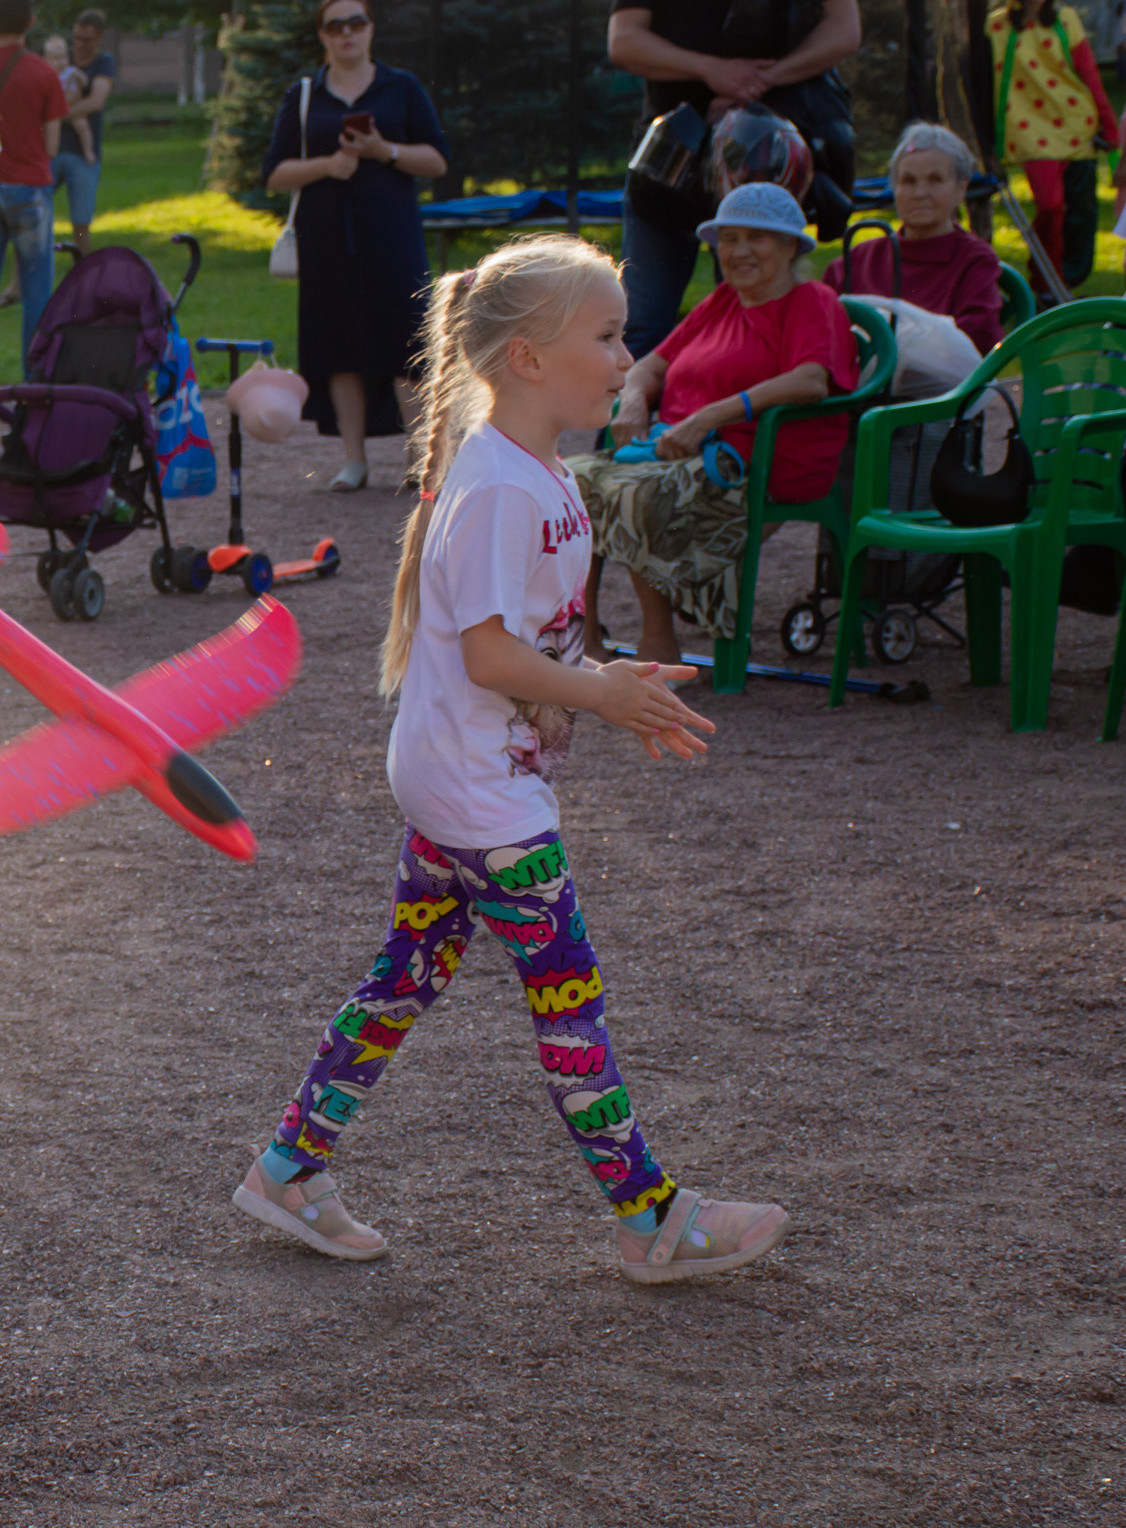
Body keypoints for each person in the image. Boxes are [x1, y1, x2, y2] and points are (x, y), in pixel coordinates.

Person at [233, 232, 789, 1286]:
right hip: (483, 797)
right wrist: (601, 694)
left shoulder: (535, 471)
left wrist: (615, 679)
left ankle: (288, 1167)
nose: (629, 353)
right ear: (526, 358)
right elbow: (489, 653)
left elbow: (530, 633)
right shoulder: (500, 485)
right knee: (567, 999)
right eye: (607, 333)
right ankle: (651, 1218)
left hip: (458, 774)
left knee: (402, 979)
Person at [567, 182, 857, 662]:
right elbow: (651, 364)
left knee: (645, 490)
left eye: (756, 238)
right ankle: (586, 638)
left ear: (790, 246)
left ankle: (659, 644)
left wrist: (711, 415)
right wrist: (635, 397)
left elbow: (810, 380)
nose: (739, 251)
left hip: (753, 458)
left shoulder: (812, 301)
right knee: (569, 481)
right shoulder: (723, 301)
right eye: (728, 239)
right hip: (679, 448)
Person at [262, 0, 449, 491]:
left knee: (408, 344)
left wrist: (383, 151)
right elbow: (275, 174)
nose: (347, 33)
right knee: (339, 349)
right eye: (335, 25)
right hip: (326, 244)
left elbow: (436, 160)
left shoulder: (401, 88)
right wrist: (328, 165)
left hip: (392, 237)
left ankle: (419, 454)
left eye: (356, 22)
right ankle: (354, 460)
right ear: (322, 35)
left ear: (371, 29)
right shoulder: (303, 96)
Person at [606, 0, 862, 356]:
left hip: (766, 160)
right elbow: (625, 40)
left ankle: (744, 409)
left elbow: (844, 30)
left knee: (758, 314)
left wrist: (759, 81)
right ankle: (629, 407)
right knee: (640, 323)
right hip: (671, 161)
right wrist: (710, 70)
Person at [821, 122, 1004, 355]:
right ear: (894, 187)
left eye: (935, 180)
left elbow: (979, 339)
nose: (920, 194)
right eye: (908, 181)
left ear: (961, 188)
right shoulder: (855, 261)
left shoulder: (975, 259)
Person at [0, 0, 68, 398]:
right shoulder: (43, 72)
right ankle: (35, 386)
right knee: (37, 293)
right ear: (32, 22)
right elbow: (54, 144)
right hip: (31, 189)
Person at [988, 0, 1118, 293]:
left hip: (1074, 123)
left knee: (1082, 209)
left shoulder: (1066, 19)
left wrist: (1109, 127)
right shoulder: (997, 25)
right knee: (1050, 205)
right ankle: (1046, 278)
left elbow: (1088, 73)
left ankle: (1066, 278)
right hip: (1028, 128)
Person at [51, 9, 115, 250]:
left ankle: (83, 273)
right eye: (75, 38)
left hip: (83, 156)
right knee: (33, 218)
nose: (78, 44)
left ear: (99, 38)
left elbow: (96, 102)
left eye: (86, 40)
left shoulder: (103, 62)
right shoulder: (62, 59)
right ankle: (18, 279)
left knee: (80, 224)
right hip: (52, 150)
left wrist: (56, 115)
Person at [44, 34, 98, 164]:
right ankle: (49, 151)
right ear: (47, 60)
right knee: (48, 129)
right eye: (56, 59)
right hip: (57, 109)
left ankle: (88, 151)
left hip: (73, 106)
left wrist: (78, 76)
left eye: (63, 57)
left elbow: (85, 83)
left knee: (82, 126)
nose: (61, 62)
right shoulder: (49, 75)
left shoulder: (70, 71)